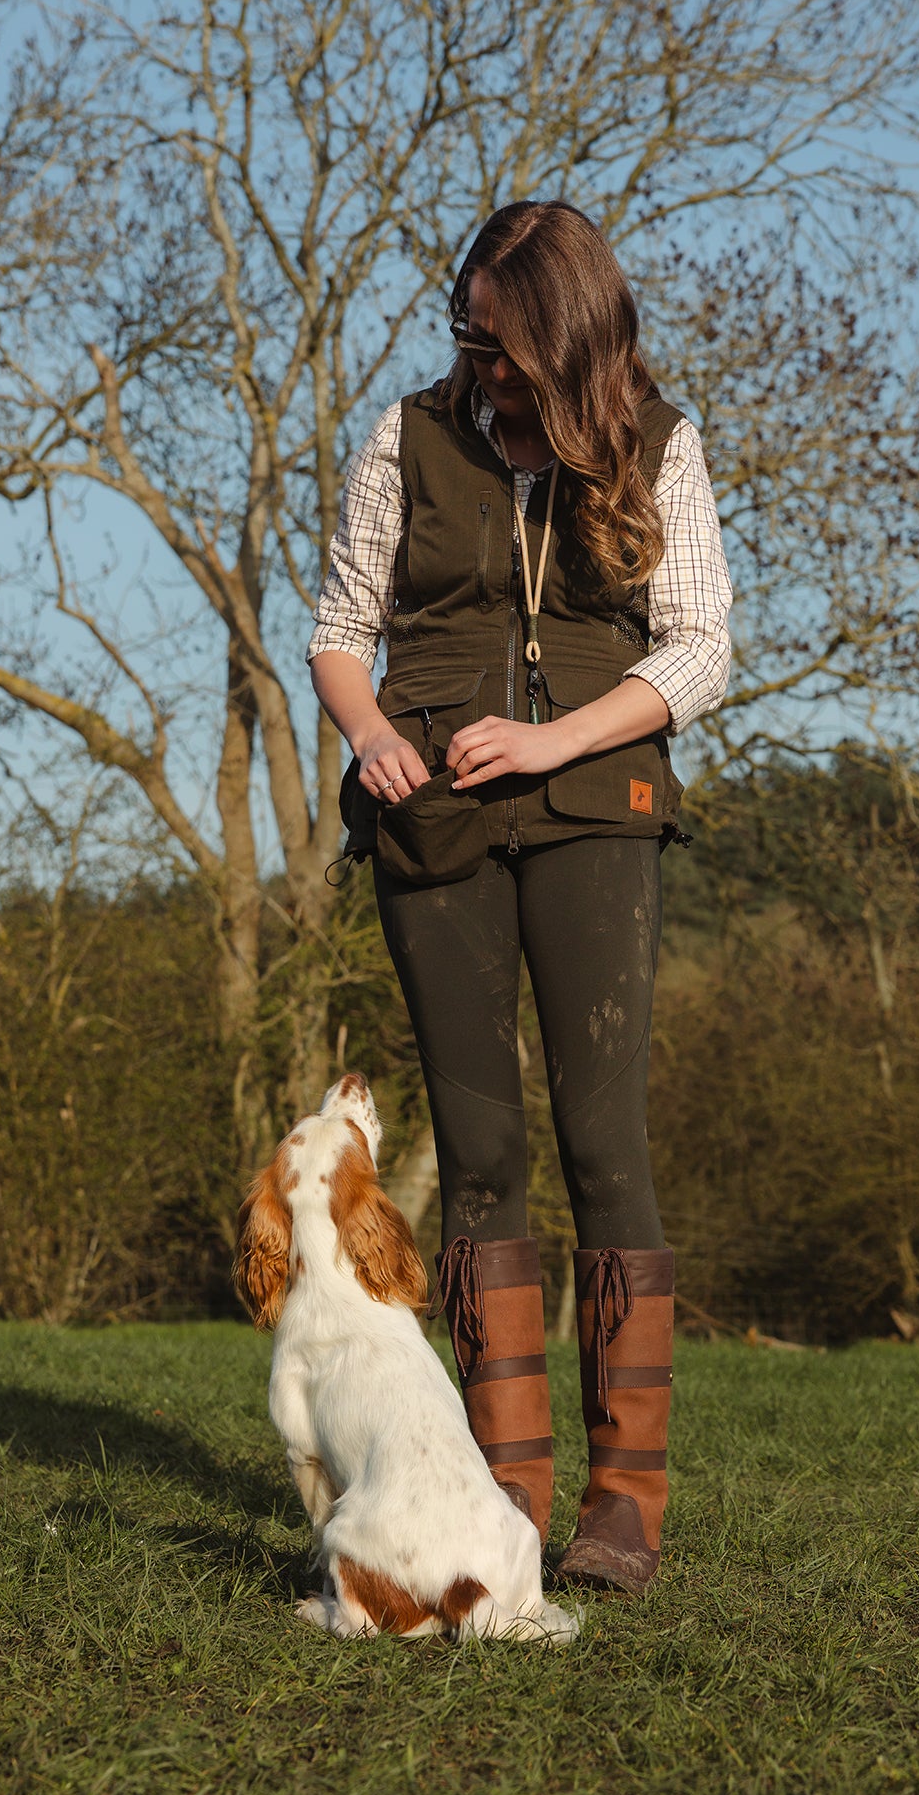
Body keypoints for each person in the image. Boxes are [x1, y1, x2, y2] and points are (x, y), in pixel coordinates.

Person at [307, 199, 733, 1594]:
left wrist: (554, 738)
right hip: (428, 816)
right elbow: (335, 629)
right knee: (480, 1150)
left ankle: (622, 1501)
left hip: (592, 809)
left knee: (604, 1137)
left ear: (565, 335)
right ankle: (502, 1496)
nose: (478, 366)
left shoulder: (658, 442)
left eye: (499, 344)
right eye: (467, 337)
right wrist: (371, 731)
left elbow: (698, 651)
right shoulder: (404, 438)